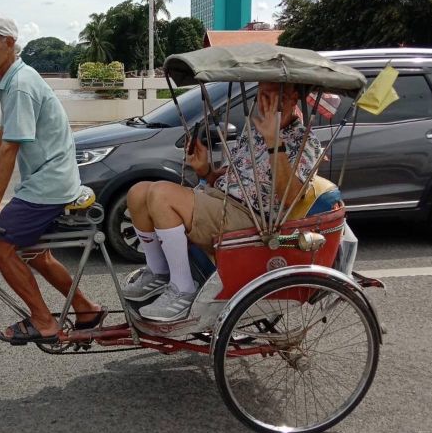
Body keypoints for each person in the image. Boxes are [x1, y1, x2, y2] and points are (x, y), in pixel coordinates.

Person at [0, 11, 105, 344]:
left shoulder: (20, 84)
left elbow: (10, 148)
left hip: (49, 183)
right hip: (47, 179)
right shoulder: (12, 80)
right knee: (34, 251)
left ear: (9, 44)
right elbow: (3, 136)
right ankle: (86, 308)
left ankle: (44, 321)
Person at [123, 82, 323, 322]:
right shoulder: (253, 131)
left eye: (273, 96)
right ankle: (159, 272)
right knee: (138, 192)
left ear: (293, 98)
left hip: (252, 220)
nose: (264, 102)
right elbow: (229, 176)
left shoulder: (306, 142)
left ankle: (183, 289)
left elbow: (291, 195)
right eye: (261, 95)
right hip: (220, 200)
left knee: (161, 194)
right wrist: (205, 169)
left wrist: (274, 142)